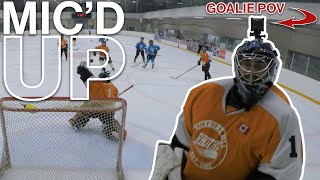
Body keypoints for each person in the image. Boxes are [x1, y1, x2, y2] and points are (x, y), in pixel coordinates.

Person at [151, 38, 303, 179]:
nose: (251, 72)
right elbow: (181, 143)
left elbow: (279, 175)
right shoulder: (202, 94)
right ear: (237, 65)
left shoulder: (282, 116)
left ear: (271, 70)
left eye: (259, 66)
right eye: (246, 64)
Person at [69, 61, 127, 141]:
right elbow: (117, 98)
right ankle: (114, 130)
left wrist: (82, 69)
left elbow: (87, 76)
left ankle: (77, 122)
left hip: (93, 108)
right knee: (109, 121)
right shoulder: (114, 88)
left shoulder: (96, 84)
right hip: (108, 110)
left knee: (84, 110)